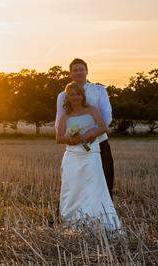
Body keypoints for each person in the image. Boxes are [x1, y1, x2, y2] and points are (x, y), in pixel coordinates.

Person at [56, 81, 121, 231]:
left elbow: (103, 127)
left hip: (91, 153)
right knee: (73, 188)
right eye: (72, 94)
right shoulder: (65, 116)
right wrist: (71, 139)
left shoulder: (92, 110)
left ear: (82, 95)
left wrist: (89, 134)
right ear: (67, 97)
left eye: (78, 94)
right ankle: (72, 223)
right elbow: (59, 138)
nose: (75, 97)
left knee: (94, 186)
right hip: (72, 156)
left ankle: (96, 222)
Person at [55, 58, 115, 200]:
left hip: (99, 142)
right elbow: (60, 120)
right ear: (70, 73)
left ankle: (103, 213)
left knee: (105, 178)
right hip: (74, 146)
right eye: (75, 70)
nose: (78, 72)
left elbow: (107, 116)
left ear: (87, 71)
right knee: (74, 183)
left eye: (81, 69)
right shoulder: (63, 95)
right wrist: (71, 138)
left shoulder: (99, 90)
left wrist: (92, 133)